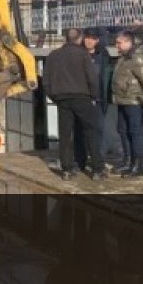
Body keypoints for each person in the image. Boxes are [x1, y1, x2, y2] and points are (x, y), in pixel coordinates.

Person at [44, 28, 106, 180]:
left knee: (65, 135)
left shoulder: (53, 56)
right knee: (91, 132)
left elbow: (45, 82)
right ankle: (97, 169)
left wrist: (55, 98)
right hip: (82, 98)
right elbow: (92, 79)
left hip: (62, 99)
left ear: (66, 38)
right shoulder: (83, 55)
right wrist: (94, 96)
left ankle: (67, 169)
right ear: (79, 39)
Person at [112, 31, 143, 176]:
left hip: (134, 99)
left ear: (128, 42)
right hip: (122, 98)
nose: (117, 45)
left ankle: (138, 165)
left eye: (119, 42)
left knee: (135, 132)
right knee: (122, 130)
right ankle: (128, 160)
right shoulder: (123, 57)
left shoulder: (137, 57)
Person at [74, 29, 111, 172]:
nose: (88, 41)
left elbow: (106, 77)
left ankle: (98, 161)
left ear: (97, 41)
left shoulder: (103, 55)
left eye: (92, 39)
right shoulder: (78, 54)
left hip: (99, 99)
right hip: (82, 98)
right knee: (80, 131)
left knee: (98, 131)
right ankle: (80, 160)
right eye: (86, 38)